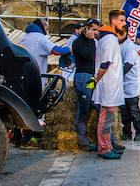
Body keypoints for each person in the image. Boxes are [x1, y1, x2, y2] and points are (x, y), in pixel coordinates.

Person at [15, 18, 71, 148]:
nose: (47, 31)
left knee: (19, 109)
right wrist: (69, 49)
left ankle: (16, 138)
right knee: (32, 110)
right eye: (46, 29)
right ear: (43, 27)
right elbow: (56, 51)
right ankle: (28, 140)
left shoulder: (23, 38)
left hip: (20, 79)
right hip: (35, 79)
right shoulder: (40, 38)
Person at [93, 10, 127, 159]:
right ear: (113, 22)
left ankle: (108, 145)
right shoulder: (109, 40)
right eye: (121, 21)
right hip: (108, 87)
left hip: (111, 87)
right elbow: (105, 64)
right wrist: (96, 81)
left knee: (108, 119)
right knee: (105, 119)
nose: (124, 23)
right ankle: (104, 148)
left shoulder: (109, 39)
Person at [72, 19, 100, 150]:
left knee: (94, 104)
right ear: (86, 29)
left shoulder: (94, 42)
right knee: (83, 107)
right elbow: (88, 55)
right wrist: (89, 40)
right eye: (93, 30)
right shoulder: (78, 43)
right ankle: (82, 140)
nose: (96, 33)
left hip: (90, 78)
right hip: (84, 77)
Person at [119, 35, 140, 141]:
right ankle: (127, 132)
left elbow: (128, 65)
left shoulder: (129, 47)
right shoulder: (118, 45)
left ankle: (139, 132)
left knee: (134, 110)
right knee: (124, 112)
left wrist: (116, 76)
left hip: (131, 84)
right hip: (122, 84)